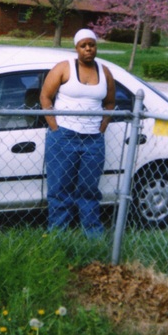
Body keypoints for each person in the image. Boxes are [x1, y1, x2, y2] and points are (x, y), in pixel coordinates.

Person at [40, 29, 116, 237]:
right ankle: (57, 235)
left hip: (93, 141)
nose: (88, 49)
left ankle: (93, 235)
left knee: (89, 190)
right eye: (83, 45)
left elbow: (110, 103)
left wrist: (101, 128)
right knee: (60, 190)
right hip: (64, 137)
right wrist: (55, 127)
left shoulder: (105, 71)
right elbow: (45, 97)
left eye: (92, 44)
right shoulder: (64, 68)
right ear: (76, 48)